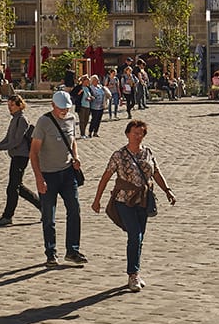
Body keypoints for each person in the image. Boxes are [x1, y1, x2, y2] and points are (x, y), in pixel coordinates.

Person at [90, 119, 177, 292]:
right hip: (124, 201)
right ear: (127, 133)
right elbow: (105, 177)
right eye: (134, 133)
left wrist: (167, 191)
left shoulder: (148, 153)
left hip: (143, 201)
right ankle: (133, 274)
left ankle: (135, 270)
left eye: (141, 133)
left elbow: (156, 173)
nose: (137, 136)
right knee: (135, 236)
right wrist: (97, 200)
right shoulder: (119, 155)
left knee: (139, 238)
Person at [30, 90, 86, 268]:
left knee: (75, 211)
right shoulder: (44, 122)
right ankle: (51, 253)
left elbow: (73, 141)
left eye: (67, 108)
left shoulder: (71, 119)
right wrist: (39, 178)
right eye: (61, 108)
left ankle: (72, 250)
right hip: (48, 175)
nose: (64, 112)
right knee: (49, 216)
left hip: (68, 173)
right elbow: (34, 153)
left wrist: (76, 157)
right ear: (53, 105)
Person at [0, 94, 37, 226]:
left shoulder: (21, 119)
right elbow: (8, 138)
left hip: (21, 156)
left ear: (19, 105)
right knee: (18, 187)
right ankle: (43, 206)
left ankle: (7, 216)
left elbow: (16, 141)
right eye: (8, 105)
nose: (9, 108)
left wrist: (1, 148)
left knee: (12, 188)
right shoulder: (14, 119)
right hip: (15, 156)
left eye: (12, 105)